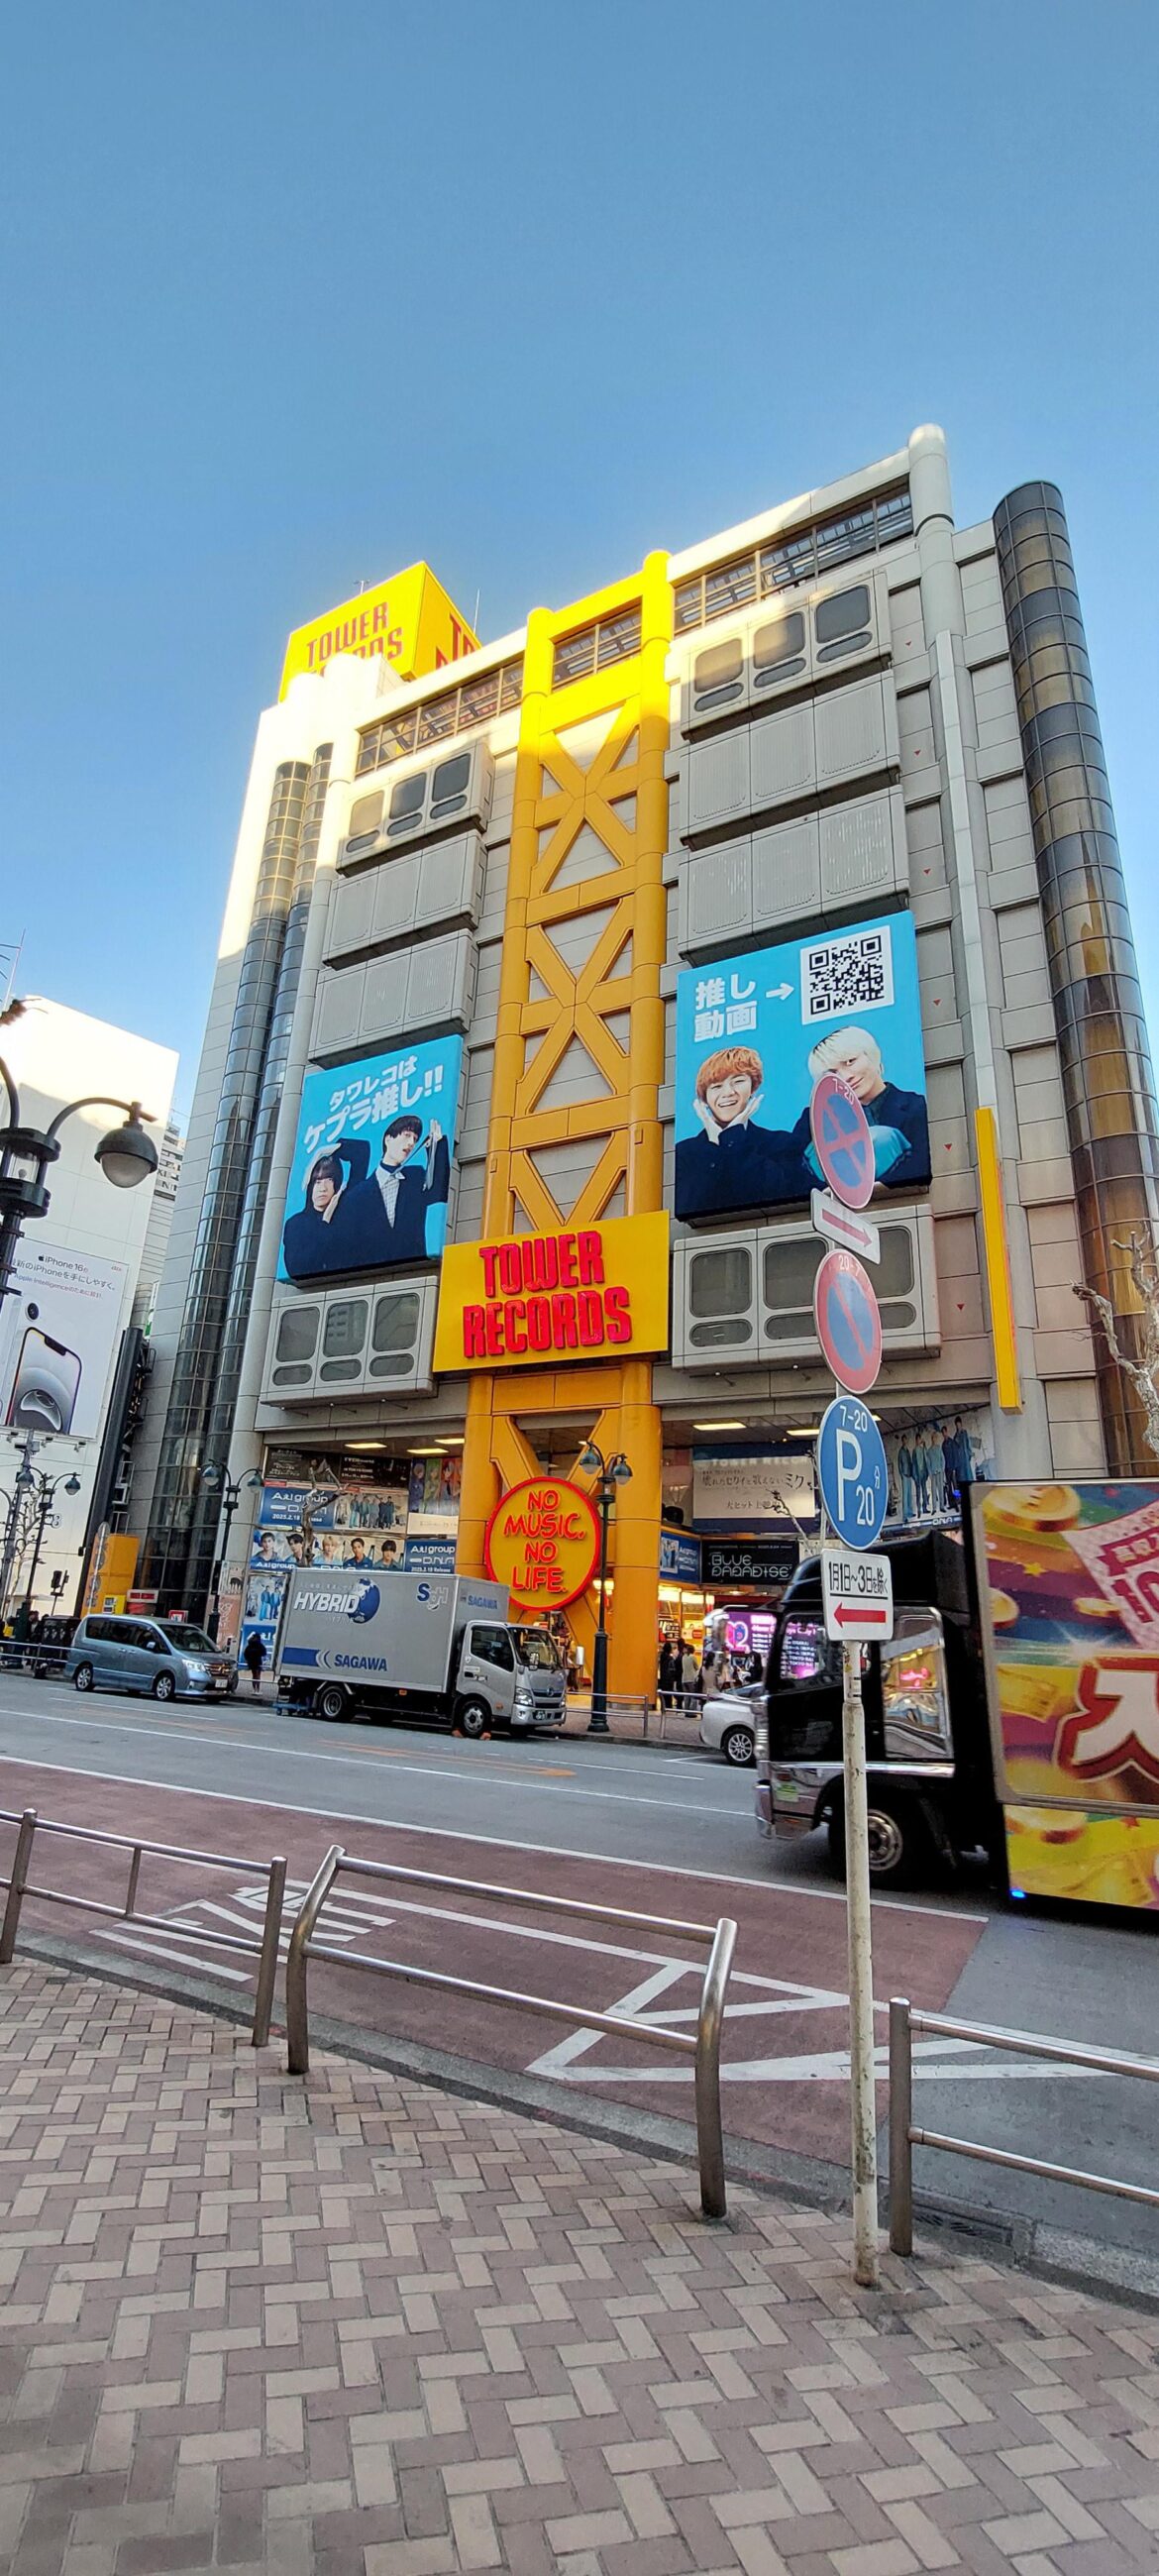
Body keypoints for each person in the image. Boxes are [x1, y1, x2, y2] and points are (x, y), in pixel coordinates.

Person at [792, 1025, 930, 1191]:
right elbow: (795, 1173)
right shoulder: (813, 1120)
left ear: (872, 1054)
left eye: (850, 1061)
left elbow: (921, 1163)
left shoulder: (916, 1106)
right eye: (832, 1073)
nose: (846, 1077)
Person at [675, 1046, 804, 1219]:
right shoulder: (683, 1153)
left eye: (738, 1081)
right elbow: (691, 1205)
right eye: (717, 1086)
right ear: (704, 1098)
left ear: (753, 1088)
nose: (728, 1092)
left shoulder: (781, 1142)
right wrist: (714, 1143)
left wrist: (732, 1138)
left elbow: (772, 1191)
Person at [336, 1115, 450, 1267]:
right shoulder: (358, 1194)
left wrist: (437, 1146)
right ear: (388, 1139)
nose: (411, 1143)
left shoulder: (415, 1177)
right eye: (407, 1135)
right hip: (367, 1273)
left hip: (414, 1268)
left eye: (415, 1139)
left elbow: (439, 1192)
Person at [281, 1140, 370, 1282]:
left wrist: (323, 1152)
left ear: (337, 1183)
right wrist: (325, 1223)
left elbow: (361, 1149)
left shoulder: (346, 1212)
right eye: (317, 1181)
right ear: (310, 1186)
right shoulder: (296, 1224)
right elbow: (296, 1269)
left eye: (329, 1179)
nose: (323, 1188)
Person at [243, 1629, 265, 1695]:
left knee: (254, 1675)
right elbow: (264, 1652)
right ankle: (257, 1689)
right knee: (258, 1675)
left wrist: (247, 1659)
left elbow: (245, 1653)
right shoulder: (260, 1645)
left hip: (251, 1661)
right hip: (258, 1661)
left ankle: (254, 1689)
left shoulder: (250, 1644)